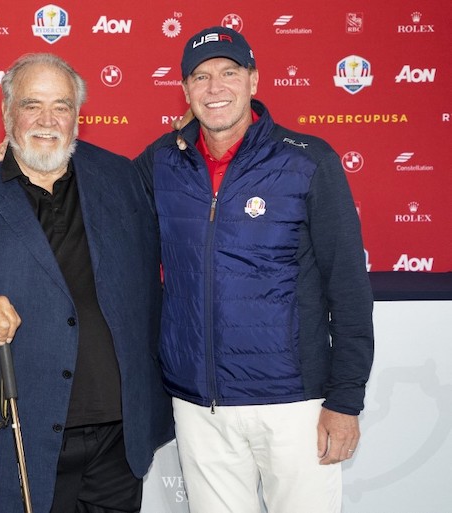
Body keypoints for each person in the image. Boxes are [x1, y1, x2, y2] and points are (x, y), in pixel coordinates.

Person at [0, 53, 173, 513]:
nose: (47, 120)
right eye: (32, 104)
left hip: (117, 442)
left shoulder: (120, 177)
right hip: (11, 443)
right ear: (7, 112)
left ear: (78, 116)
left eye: (62, 106)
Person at [134, 27, 375, 513]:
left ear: (254, 80)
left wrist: (344, 400)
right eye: (200, 77)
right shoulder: (161, 162)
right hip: (201, 406)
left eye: (229, 72)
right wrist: (21, 166)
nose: (214, 88)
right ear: (185, 90)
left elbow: (347, 288)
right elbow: (96, 198)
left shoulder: (307, 161)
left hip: (293, 403)